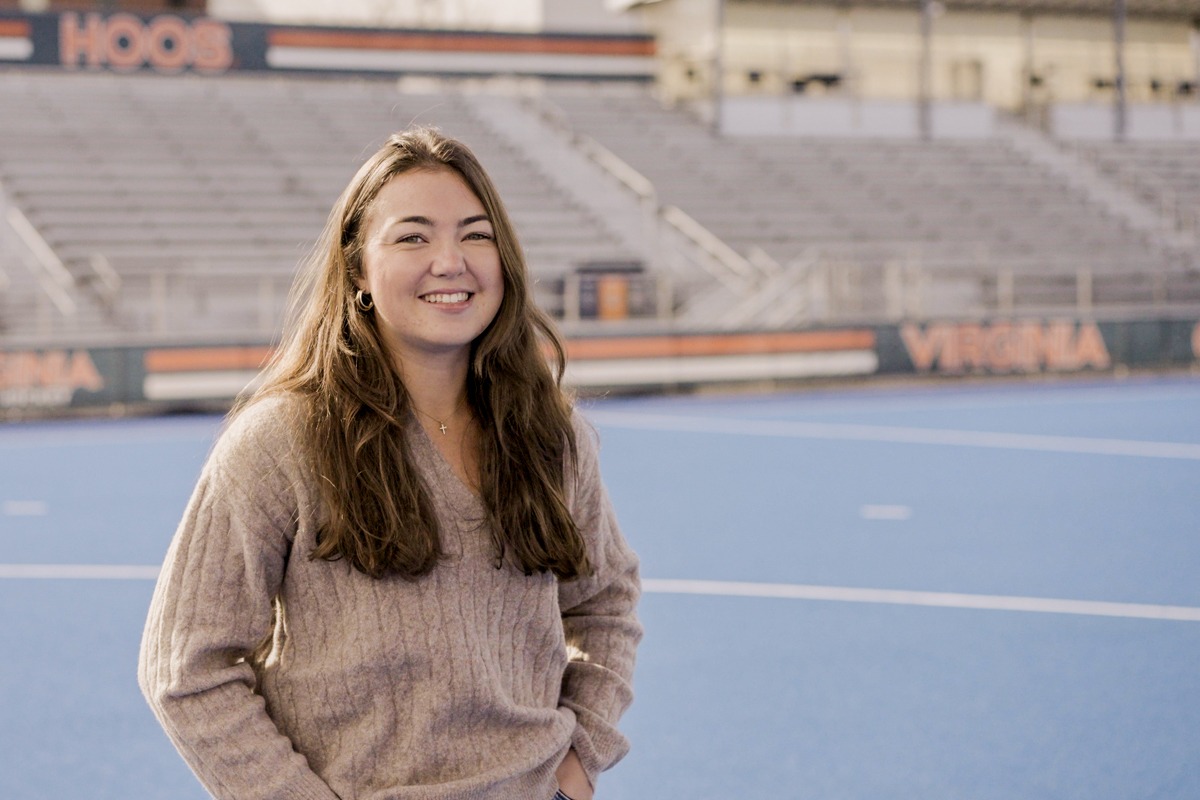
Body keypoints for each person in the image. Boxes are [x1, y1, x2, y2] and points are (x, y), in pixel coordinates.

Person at [138, 126, 642, 800]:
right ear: (358, 270)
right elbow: (184, 668)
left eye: (475, 234)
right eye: (413, 237)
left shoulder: (551, 435)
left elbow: (606, 604)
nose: (449, 261)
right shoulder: (281, 439)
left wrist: (581, 755)